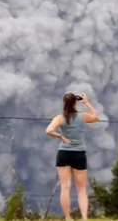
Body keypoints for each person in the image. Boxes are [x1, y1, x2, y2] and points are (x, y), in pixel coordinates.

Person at [45, 92, 99, 221]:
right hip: (79, 154)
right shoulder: (83, 117)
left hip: (64, 153)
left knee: (65, 187)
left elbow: (48, 131)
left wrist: (61, 136)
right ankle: (84, 218)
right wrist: (86, 102)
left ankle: (68, 217)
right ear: (75, 103)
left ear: (64, 103)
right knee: (81, 190)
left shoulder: (59, 118)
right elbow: (96, 117)